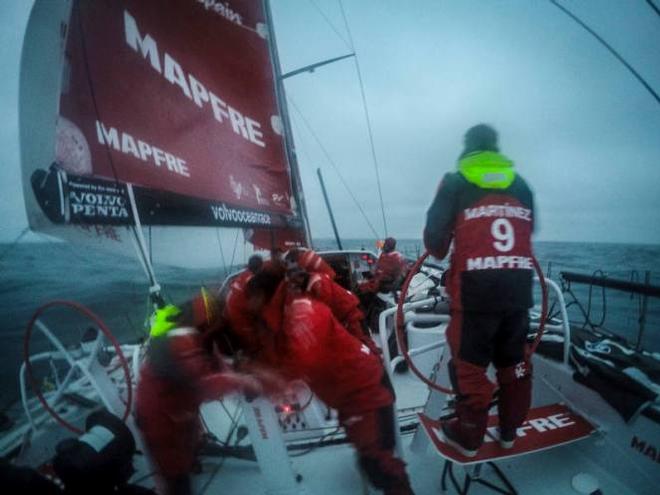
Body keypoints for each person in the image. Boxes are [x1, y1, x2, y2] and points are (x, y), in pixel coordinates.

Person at [244, 271, 415, 495]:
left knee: (380, 465)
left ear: (262, 295)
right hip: (349, 395)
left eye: (251, 298)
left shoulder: (302, 313)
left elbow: (302, 361)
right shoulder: (281, 315)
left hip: (366, 391)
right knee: (368, 457)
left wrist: (260, 379)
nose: (248, 305)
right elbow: (282, 353)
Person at [423, 124, 535, 457]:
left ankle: (469, 437)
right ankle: (509, 432)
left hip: (475, 295)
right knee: (514, 365)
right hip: (518, 292)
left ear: (467, 149)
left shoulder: (455, 182)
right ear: (495, 149)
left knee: (468, 367)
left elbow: (435, 245)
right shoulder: (522, 186)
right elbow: (526, 229)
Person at [136, 299, 262, 495]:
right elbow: (203, 385)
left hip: (176, 411)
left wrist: (231, 368)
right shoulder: (183, 343)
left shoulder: (186, 335)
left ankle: (191, 459)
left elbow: (211, 361)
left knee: (186, 447)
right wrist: (243, 381)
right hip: (161, 420)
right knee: (176, 477)